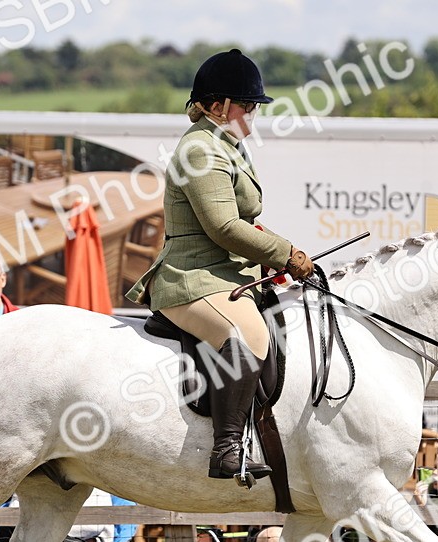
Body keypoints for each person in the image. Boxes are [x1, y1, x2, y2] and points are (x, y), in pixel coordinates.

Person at [125, 49, 314, 481]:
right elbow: (225, 227)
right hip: (190, 279)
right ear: (216, 106)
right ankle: (227, 449)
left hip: (224, 275)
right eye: (246, 106)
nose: (251, 114)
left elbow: (245, 218)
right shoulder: (199, 150)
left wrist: (274, 253)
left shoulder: (225, 145)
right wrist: (285, 253)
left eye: (252, 107)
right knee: (247, 335)